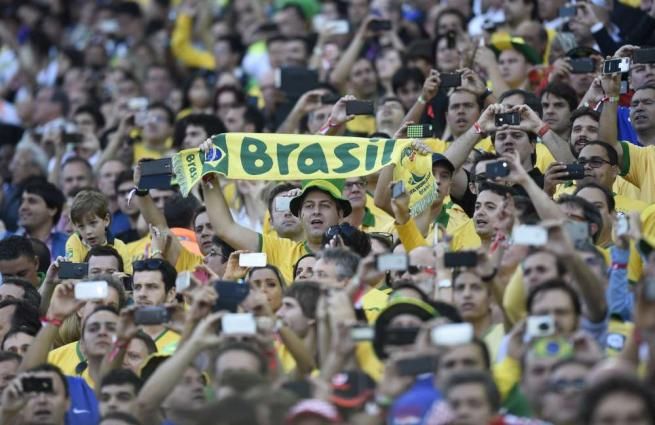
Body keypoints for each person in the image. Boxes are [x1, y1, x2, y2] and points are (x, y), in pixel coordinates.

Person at [204, 174, 352, 282]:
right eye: (309, 206)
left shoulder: (356, 250)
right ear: (300, 215)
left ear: (340, 214)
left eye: (325, 205)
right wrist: (208, 176)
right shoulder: (280, 251)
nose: (316, 211)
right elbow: (225, 228)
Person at [65, 190, 131, 272]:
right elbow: (73, 273)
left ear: (106, 220)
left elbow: (128, 276)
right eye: (81, 226)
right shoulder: (74, 242)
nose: (88, 231)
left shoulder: (120, 246)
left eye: (93, 223)